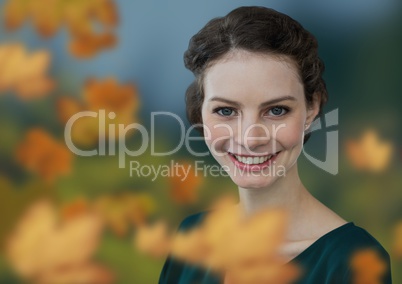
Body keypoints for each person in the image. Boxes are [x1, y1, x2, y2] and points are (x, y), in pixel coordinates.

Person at [159, 6, 392, 284]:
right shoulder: (192, 236)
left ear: (311, 108)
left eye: (277, 110)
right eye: (225, 111)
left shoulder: (353, 259)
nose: (250, 139)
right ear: (200, 114)